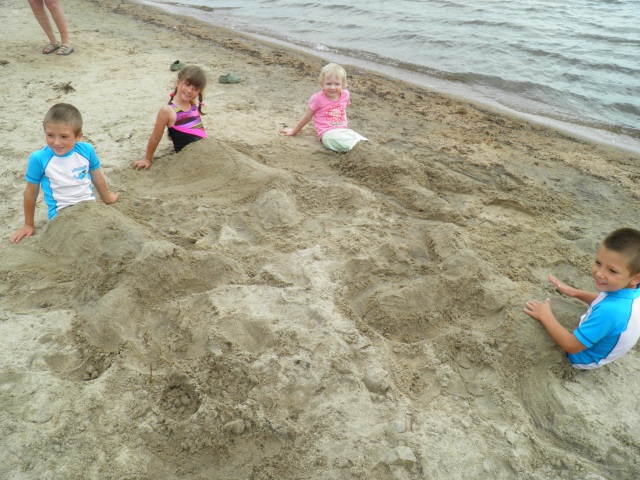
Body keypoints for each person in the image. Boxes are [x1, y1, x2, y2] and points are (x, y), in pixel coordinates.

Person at [524, 228, 640, 369]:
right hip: (607, 337)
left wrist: (545, 315)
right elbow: (607, 301)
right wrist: (577, 293)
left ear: (636, 278)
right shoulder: (632, 291)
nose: (599, 273)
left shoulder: (610, 312)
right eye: (598, 263)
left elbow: (571, 346)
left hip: (583, 358)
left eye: (612, 271)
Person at [10, 103, 119, 243]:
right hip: (61, 214)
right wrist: (28, 224)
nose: (56, 142)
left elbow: (96, 176)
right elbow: (31, 192)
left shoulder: (86, 150)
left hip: (89, 207)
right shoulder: (39, 159)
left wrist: (107, 198)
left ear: (78, 136)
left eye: (64, 136)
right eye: (50, 135)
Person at [280, 63, 367, 153]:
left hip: (343, 130)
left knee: (360, 139)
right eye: (328, 84)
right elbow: (307, 117)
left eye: (337, 84)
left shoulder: (345, 95)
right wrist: (294, 131)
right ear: (322, 84)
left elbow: (343, 107)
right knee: (346, 144)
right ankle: (357, 151)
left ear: (343, 84)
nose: (332, 87)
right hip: (327, 133)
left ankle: (364, 147)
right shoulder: (317, 98)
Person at [133, 66, 207, 170]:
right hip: (189, 160)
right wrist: (147, 159)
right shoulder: (167, 111)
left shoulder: (192, 104)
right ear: (178, 82)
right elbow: (156, 137)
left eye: (195, 89)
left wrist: (171, 133)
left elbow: (190, 127)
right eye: (187, 84)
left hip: (205, 152)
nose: (190, 90)